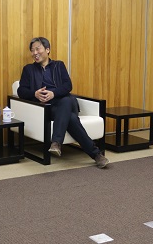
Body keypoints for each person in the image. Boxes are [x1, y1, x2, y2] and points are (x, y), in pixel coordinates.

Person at [17, 37, 109, 168]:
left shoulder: (59, 65)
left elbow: (68, 86)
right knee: (71, 118)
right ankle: (97, 155)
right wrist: (35, 94)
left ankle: (56, 142)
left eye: (38, 49)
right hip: (47, 109)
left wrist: (53, 93)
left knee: (66, 100)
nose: (35, 53)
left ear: (47, 50)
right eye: (32, 50)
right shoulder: (28, 69)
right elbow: (21, 91)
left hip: (64, 103)